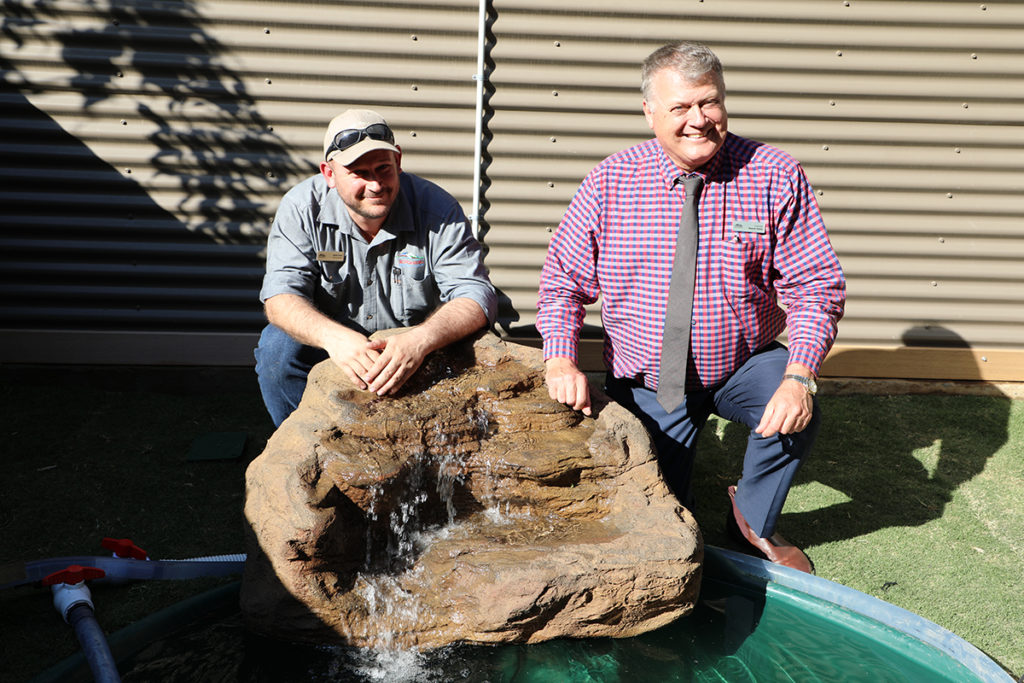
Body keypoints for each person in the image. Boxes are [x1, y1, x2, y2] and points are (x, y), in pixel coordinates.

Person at [537, 42, 845, 573]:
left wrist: (799, 376)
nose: (698, 120)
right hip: (651, 381)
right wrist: (560, 358)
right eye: (680, 107)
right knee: (663, 520)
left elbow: (817, 285)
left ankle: (752, 522)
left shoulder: (774, 173)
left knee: (793, 409)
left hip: (743, 361)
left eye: (709, 102)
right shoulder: (610, 181)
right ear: (649, 112)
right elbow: (562, 281)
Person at [255, 108, 497, 426]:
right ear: (329, 174)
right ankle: (301, 442)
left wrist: (421, 340)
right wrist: (335, 339)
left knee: (475, 340)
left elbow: (476, 294)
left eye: (383, 168)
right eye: (358, 172)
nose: (375, 184)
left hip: (412, 343)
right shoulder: (300, 208)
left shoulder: (439, 209)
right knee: (277, 349)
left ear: (398, 162)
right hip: (333, 345)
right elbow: (280, 298)